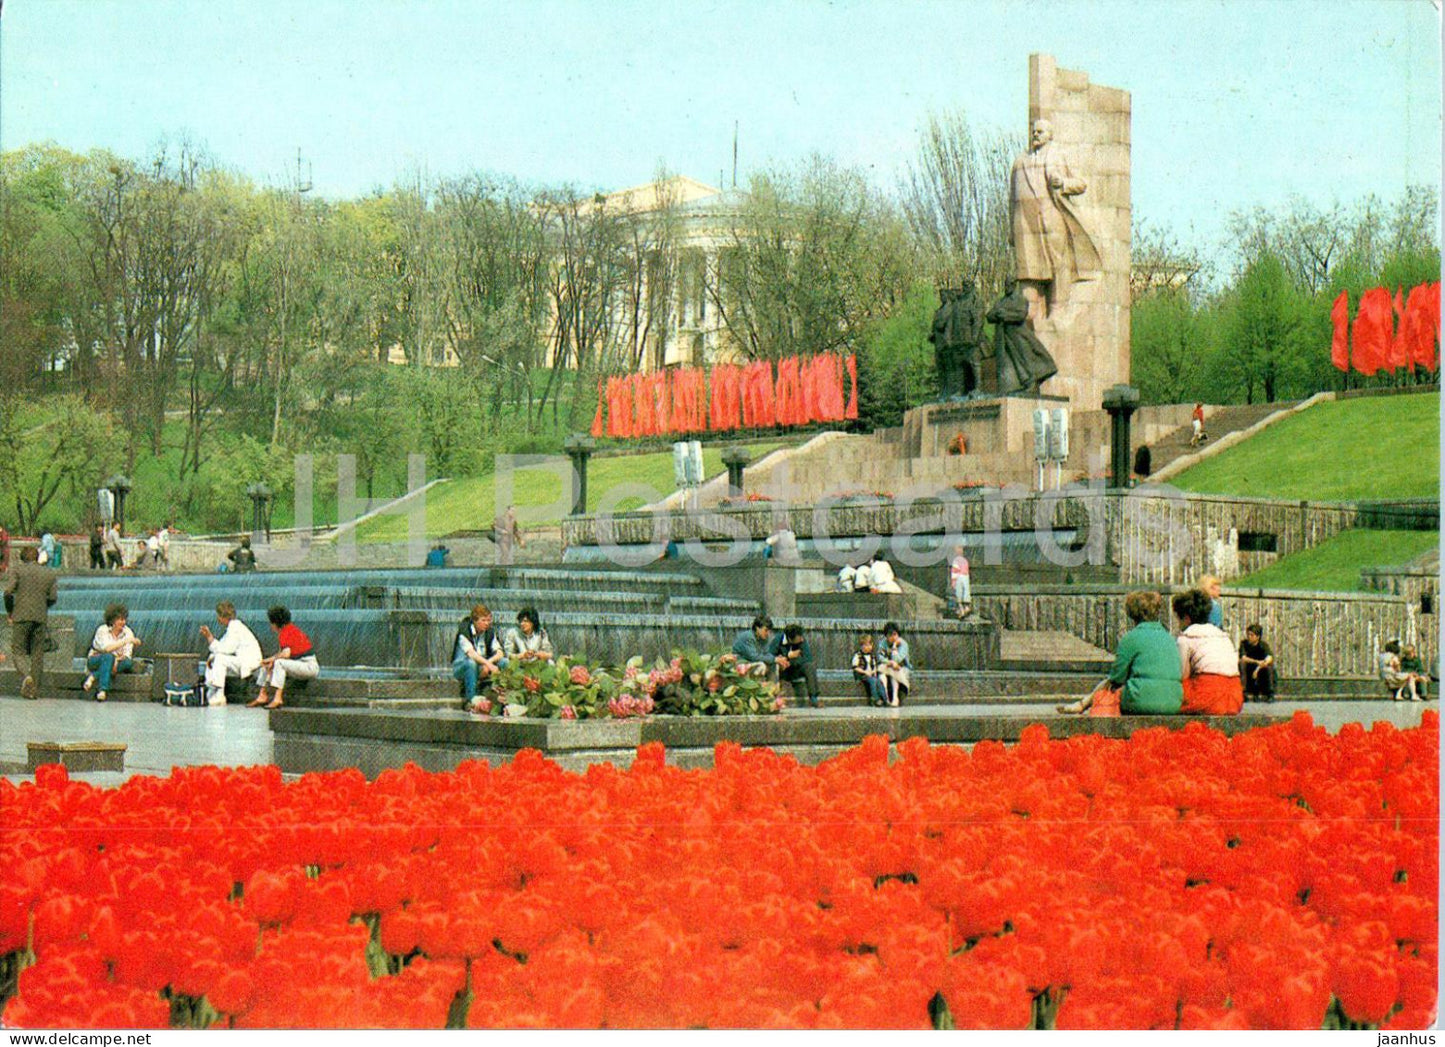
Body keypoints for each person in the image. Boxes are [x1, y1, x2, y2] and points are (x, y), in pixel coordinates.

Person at [1009, 117, 1101, 320]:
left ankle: (1057, 309)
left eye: (1040, 131)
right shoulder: (1019, 161)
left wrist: (1063, 183)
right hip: (1024, 224)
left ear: (1050, 136)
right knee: (1028, 269)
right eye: (1034, 131)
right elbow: (1011, 199)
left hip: (1051, 218)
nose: (1035, 134)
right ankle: (1030, 312)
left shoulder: (1058, 155)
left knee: (1058, 263)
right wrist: (1011, 231)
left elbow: (1081, 183)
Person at [1059, 591, 1182, 716]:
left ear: (1132, 614)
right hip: (1173, 702)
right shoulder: (1170, 639)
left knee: (1109, 686)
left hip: (1141, 700)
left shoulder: (1131, 638)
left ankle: (1082, 704)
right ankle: (1081, 704)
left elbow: (1116, 677)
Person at [1173, 589, 1243, 715]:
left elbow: (1182, 675)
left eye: (1179, 619)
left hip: (1208, 695)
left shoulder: (1186, 637)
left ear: (1186, 618)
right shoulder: (1223, 635)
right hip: (1235, 696)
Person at [986, 278, 1059, 397]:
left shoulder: (1020, 300)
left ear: (1014, 285)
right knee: (1012, 363)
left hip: (1019, 335)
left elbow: (1021, 315)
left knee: (1026, 359)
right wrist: (996, 314)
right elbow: (989, 316)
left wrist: (1005, 315)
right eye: (1005, 285)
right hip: (1004, 338)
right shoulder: (1001, 301)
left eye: (1009, 284)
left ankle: (1032, 383)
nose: (1006, 287)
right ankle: (1019, 385)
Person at [3, 546, 58, 700]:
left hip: (21, 616)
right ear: (37, 557)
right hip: (40, 617)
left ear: (22, 558)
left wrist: (10, 611)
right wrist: (42, 605)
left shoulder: (17, 570)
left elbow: (8, 592)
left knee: (18, 651)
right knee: (37, 654)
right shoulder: (49, 573)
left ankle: (27, 677)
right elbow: (53, 597)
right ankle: (33, 691)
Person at [249, 605, 318, 710]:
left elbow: (286, 654)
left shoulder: (287, 632)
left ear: (276, 623)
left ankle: (278, 698)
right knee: (269, 664)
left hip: (308, 666)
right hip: (298, 663)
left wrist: (271, 659)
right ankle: (262, 695)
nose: (270, 625)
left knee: (278, 663)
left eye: (271, 622)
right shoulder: (286, 631)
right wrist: (269, 662)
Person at [199, 601, 263, 706]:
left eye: (219, 616)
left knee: (219, 659)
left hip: (249, 662)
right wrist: (209, 637)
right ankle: (212, 690)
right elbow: (221, 646)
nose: (218, 619)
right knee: (213, 657)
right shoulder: (232, 627)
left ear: (223, 616)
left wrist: (210, 638)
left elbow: (227, 649)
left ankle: (219, 693)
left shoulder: (235, 628)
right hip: (243, 660)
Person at [84, 603, 141, 703]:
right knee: (108, 657)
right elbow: (107, 649)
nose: (123, 622)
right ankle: (103, 689)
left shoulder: (128, 632)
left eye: (124, 619)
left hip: (116, 661)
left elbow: (127, 655)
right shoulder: (102, 630)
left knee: (128, 663)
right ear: (112, 620)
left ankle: (94, 676)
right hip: (95, 660)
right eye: (120, 619)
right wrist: (125, 641)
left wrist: (116, 660)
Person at [454, 603, 505, 703]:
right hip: (462, 667)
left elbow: (500, 653)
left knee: (504, 662)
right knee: (471, 663)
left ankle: (506, 696)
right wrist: (488, 664)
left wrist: (489, 663)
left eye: (489, 620)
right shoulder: (464, 632)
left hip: (483, 665)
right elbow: (471, 654)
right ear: (475, 621)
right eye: (483, 620)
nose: (487, 623)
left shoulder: (490, 632)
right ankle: (472, 699)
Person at [779, 624, 820, 708]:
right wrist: (787, 656)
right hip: (782, 670)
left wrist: (792, 662)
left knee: (810, 666)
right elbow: (770, 655)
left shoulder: (802, 641)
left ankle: (813, 697)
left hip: (795, 668)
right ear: (791, 639)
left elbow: (807, 658)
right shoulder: (778, 641)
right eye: (799, 637)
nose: (802, 639)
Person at [1238, 623, 1277, 703]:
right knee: (1241, 664)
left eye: (1252, 635)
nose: (1249, 637)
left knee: (1269, 667)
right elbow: (1243, 658)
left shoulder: (1263, 645)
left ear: (1258, 637)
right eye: (1248, 634)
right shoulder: (1244, 644)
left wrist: (1258, 669)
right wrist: (1256, 662)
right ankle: (1243, 692)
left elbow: (1269, 658)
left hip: (1260, 671)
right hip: (1248, 670)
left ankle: (1270, 693)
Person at [879, 622, 912, 707]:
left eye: (895, 634)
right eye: (890, 635)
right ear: (886, 636)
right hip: (890, 666)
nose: (893, 637)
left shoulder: (903, 644)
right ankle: (885, 698)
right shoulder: (883, 643)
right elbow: (880, 657)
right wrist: (890, 663)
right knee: (881, 673)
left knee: (893, 673)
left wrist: (894, 646)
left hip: (902, 668)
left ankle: (895, 698)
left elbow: (897, 659)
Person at [852, 632, 887, 706]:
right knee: (873, 681)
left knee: (879, 682)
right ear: (861, 646)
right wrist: (864, 672)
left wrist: (873, 671)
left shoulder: (872, 656)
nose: (868, 647)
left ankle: (885, 699)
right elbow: (855, 667)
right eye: (866, 645)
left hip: (871, 675)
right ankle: (875, 699)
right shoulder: (857, 655)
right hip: (862, 675)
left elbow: (874, 666)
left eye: (869, 645)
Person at [949, 545, 972, 619]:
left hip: (959, 578)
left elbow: (954, 572)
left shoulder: (956, 560)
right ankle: (966, 608)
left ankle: (962, 610)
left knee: (959, 595)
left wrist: (953, 581)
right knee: (965, 594)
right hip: (965, 577)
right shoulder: (965, 560)